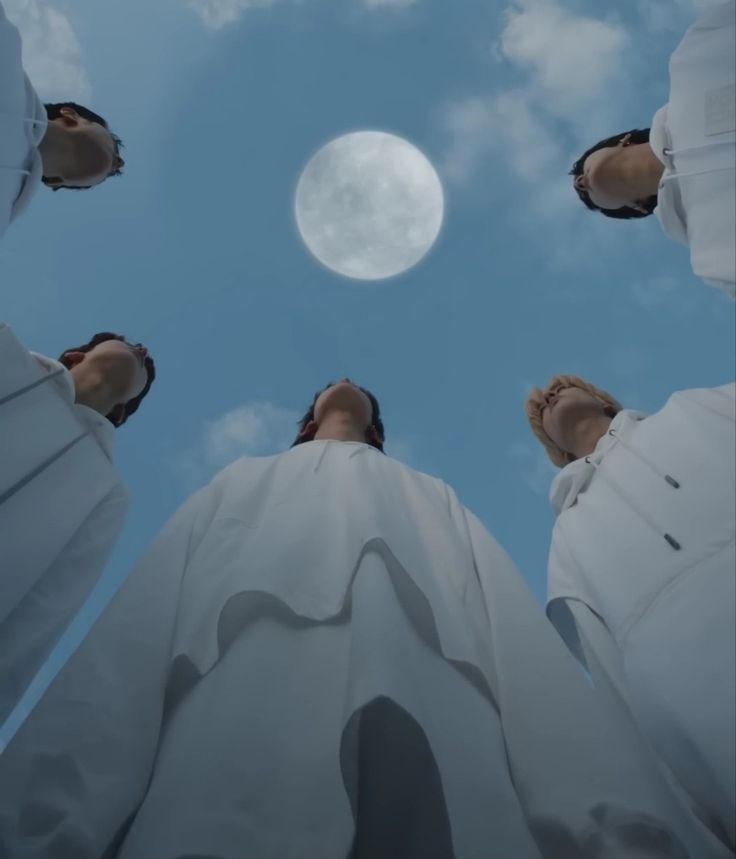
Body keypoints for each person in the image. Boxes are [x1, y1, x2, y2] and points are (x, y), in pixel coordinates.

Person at [0, 379, 730, 858]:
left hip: (448, 727)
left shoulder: (430, 492)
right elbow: (134, 636)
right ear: (308, 416)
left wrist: (610, 827)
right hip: (230, 721)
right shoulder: (240, 481)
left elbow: (518, 643)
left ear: (377, 429)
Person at [524, 374, 736, 848]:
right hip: (707, 714)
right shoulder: (569, 538)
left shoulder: (698, 409)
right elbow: (613, 683)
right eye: (541, 408)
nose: (550, 396)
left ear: (605, 399)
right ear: (554, 450)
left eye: (562, 386)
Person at [0, 326, 155, 723]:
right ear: (74, 354)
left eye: (145, 365)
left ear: (122, 409)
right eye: (127, 342)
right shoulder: (6, 354)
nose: (141, 348)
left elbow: (41, 615)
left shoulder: (107, 493)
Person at [571, 0, 736, 299]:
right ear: (636, 207)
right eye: (588, 198)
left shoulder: (694, 59)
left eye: (581, 169)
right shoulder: (712, 257)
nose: (581, 183)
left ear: (623, 139)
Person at [0, 0, 123, 241]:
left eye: (106, 175)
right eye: (113, 145)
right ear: (71, 116)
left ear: (55, 181)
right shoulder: (7, 49)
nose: (119, 162)